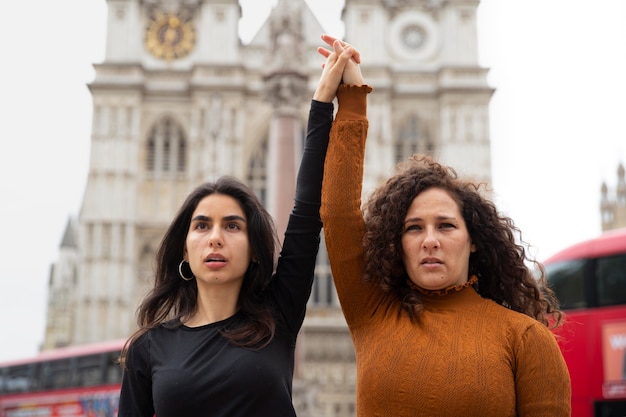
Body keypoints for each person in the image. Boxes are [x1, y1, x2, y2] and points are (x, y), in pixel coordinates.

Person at [318, 34, 572, 416]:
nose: (430, 240)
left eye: (446, 226)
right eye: (413, 228)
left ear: (473, 240)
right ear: (396, 242)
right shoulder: (372, 312)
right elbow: (337, 215)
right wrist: (352, 99)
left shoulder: (526, 339)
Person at [117, 39, 358, 417]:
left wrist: (322, 105)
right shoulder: (148, 349)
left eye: (232, 226)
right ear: (184, 248)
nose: (215, 237)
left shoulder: (276, 318)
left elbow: (308, 211)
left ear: (253, 248)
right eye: (201, 226)